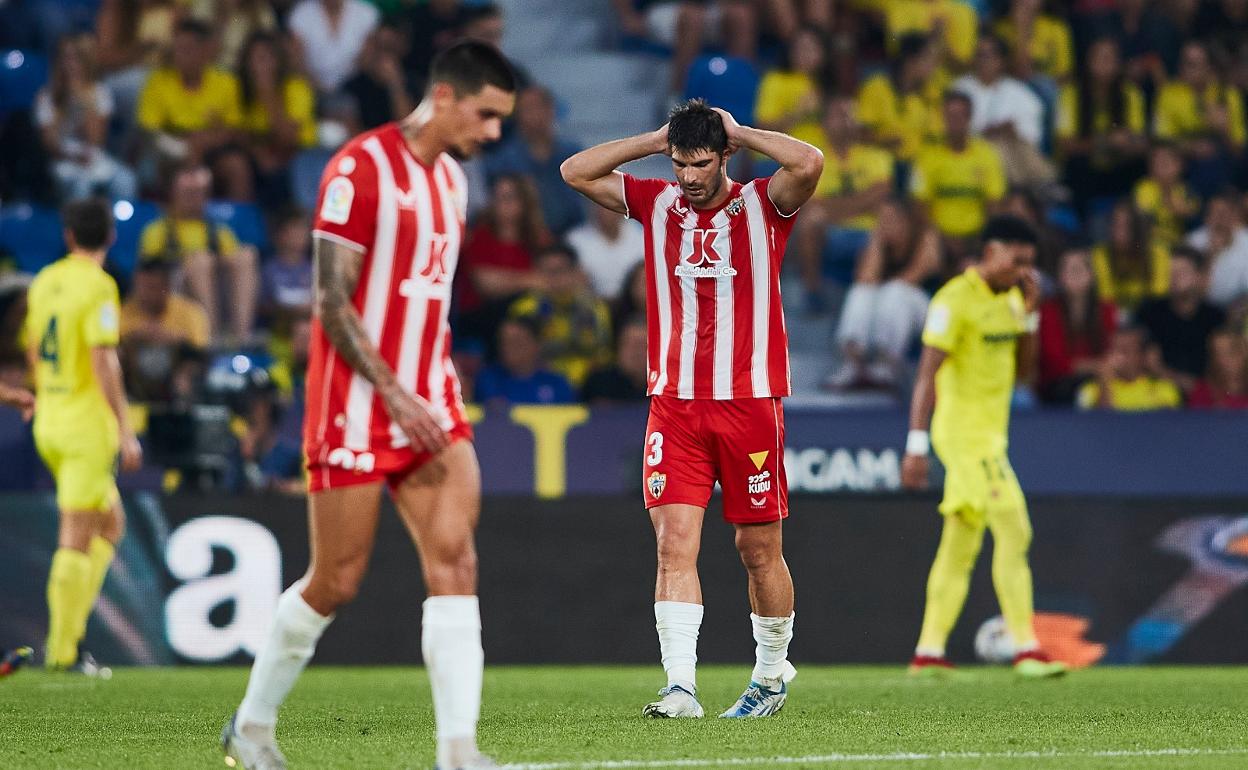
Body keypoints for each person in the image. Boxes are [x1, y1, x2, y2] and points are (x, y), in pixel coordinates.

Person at [220, 41, 515, 770]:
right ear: (444, 97)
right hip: (357, 401)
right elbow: (330, 299)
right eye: (486, 115)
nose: (493, 134)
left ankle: (458, 751)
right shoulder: (359, 167)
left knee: (457, 562)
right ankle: (251, 728)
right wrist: (390, 389)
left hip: (432, 400)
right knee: (336, 582)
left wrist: (424, 389)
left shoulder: (453, 182)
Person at [562, 99, 823, 718]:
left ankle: (770, 674)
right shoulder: (655, 203)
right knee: (673, 545)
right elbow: (575, 171)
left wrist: (742, 131)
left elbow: (810, 163)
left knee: (757, 550)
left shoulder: (764, 204)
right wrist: (652, 140)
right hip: (674, 405)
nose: (688, 176)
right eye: (680, 163)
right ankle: (681, 687)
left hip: (750, 403)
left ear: (725, 155)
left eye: (700, 163)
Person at [901, 215, 1067, 679]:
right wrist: (916, 446)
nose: (1023, 272)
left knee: (961, 545)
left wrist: (1030, 313)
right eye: (1017, 261)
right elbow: (926, 375)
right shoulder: (953, 301)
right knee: (1015, 530)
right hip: (962, 437)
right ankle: (1026, 648)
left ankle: (928, 652)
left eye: (1030, 265)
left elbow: (1027, 373)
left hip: (993, 437)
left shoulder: (1015, 298)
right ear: (990, 251)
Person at [23, 198, 142, 676]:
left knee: (111, 525)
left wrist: (45, 396)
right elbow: (103, 357)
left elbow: (32, 348)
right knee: (75, 535)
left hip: (49, 418)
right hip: (85, 426)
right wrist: (126, 428)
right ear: (110, 238)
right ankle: (63, 654)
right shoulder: (100, 286)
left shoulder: (45, 279)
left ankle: (68, 640)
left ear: (69, 235)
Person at [823, 198, 940, 391]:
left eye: (892, 219)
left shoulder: (925, 236)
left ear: (907, 220)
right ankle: (853, 363)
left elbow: (914, 276)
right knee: (861, 293)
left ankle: (886, 365)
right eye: (882, 219)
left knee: (895, 291)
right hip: (888, 307)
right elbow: (866, 279)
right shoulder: (877, 243)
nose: (886, 224)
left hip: (927, 311)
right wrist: (876, 242)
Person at [138, 164, 260, 343]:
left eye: (200, 192)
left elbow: (232, 262)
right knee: (199, 262)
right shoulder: (156, 231)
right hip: (175, 290)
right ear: (173, 193)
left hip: (218, 291)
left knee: (247, 254)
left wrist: (213, 260)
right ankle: (210, 336)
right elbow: (148, 272)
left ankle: (242, 336)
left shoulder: (220, 231)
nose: (194, 198)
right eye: (188, 192)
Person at [795, 95, 893, 312]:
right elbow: (812, 204)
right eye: (838, 115)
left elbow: (881, 196)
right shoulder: (812, 158)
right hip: (829, 231)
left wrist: (834, 208)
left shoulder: (877, 156)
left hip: (869, 232)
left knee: (888, 216)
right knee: (809, 220)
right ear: (825, 123)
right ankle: (813, 292)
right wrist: (861, 204)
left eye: (849, 115)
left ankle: (863, 306)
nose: (846, 120)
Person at [35, 35, 137, 201]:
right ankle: (79, 226)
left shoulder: (99, 93)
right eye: (66, 58)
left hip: (93, 158)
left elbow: (96, 139)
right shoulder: (46, 97)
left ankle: (118, 227)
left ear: (85, 62)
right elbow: (50, 144)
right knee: (82, 185)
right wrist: (62, 101)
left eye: (76, 59)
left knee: (126, 180)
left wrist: (84, 102)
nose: (70, 65)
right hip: (63, 162)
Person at [911, 91, 1007, 265]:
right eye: (949, 116)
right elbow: (919, 206)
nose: (954, 122)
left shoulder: (987, 155)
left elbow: (994, 204)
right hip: (938, 237)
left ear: (969, 118)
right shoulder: (927, 156)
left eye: (959, 116)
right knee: (928, 240)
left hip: (977, 236)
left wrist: (981, 238)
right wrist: (943, 237)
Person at [1056, 36, 1148, 219]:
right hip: (1086, 170)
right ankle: (1083, 227)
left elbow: (1140, 141)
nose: (1104, 64)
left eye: (1110, 58)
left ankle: (1130, 219)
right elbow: (1064, 145)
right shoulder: (1071, 93)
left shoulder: (1131, 94)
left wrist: (1127, 144)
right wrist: (1106, 141)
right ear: (1089, 62)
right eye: (1099, 58)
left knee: (1140, 165)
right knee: (1077, 165)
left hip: (1117, 167)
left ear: (1118, 64)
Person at [953, 36, 1053, 190]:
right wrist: (989, 132)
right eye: (978, 55)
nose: (982, 60)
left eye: (987, 55)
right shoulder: (960, 88)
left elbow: (1032, 138)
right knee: (998, 148)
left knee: (1010, 145)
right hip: (970, 151)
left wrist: (1011, 131)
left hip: (1015, 151)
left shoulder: (1019, 92)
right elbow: (954, 128)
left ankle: (1040, 187)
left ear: (1001, 60)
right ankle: (1025, 191)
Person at [506, 244, 613, 388]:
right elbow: (516, 355)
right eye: (547, 272)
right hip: (537, 383)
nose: (554, 278)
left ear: (574, 272)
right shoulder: (524, 309)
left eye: (560, 271)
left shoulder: (594, 308)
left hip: (587, 384)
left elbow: (603, 352)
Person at [485, 85, 585, 235]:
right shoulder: (502, 161)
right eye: (527, 109)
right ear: (518, 115)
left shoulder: (573, 154)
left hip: (571, 239)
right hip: (523, 241)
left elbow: (583, 206)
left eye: (539, 107)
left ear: (551, 110)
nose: (534, 115)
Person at [1134, 246, 1227, 393]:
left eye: (1182, 272)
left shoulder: (1216, 318)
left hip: (1207, 400)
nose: (1174, 277)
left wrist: (1169, 375)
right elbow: (1145, 364)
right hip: (1157, 396)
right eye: (1171, 272)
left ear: (1200, 276)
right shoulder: (1149, 313)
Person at [119, 257, 211, 401]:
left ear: (166, 287)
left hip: (174, 375)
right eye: (141, 287)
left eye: (152, 287)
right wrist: (140, 334)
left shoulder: (190, 312)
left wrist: (174, 338)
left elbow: (201, 349)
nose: (146, 294)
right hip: (136, 376)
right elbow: (114, 340)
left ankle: (183, 408)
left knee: (191, 366)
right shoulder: (125, 310)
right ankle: (126, 401)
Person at [1037, 247, 1117, 404]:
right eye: (1067, 269)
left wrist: (1101, 368)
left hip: (1098, 380)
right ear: (1060, 277)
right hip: (1058, 386)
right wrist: (1097, 366)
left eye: (1079, 269)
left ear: (1091, 275)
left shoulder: (1106, 310)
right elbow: (1055, 362)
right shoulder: (1047, 311)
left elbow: (1111, 352)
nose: (1073, 274)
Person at [473, 316, 576, 405]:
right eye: (504, 342)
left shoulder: (557, 384)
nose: (508, 348)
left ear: (536, 344)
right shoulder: (487, 380)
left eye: (516, 342)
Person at [1075, 326, 1182, 411]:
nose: (1116, 357)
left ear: (1140, 356)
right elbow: (1097, 428)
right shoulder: (1090, 391)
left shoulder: (1163, 390)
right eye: (1112, 350)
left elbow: (1168, 427)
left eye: (1124, 351)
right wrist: (1105, 383)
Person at [287, 0, 380, 95]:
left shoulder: (367, 13)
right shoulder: (300, 14)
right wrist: (316, 86)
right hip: (310, 85)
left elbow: (368, 57)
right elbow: (296, 59)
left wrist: (346, 88)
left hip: (356, 85)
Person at [1091, 200, 1168, 313]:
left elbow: (1159, 296)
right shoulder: (1100, 254)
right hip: (1113, 318)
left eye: (1126, 226)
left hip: (1151, 316)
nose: (1118, 232)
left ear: (1138, 228)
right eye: (1115, 224)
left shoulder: (1157, 254)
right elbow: (1105, 298)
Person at [564, 201, 645, 300]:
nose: (603, 212)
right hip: (594, 303)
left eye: (608, 206)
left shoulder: (641, 234)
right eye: (598, 206)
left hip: (633, 305)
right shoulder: (574, 241)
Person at [1187, 191, 1248, 309]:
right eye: (1214, 213)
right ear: (1206, 217)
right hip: (1201, 311)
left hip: (1240, 311)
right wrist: (1210, 255)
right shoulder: (1192, 243)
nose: (1219, 220)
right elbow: (1190, 292)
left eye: (1224, 214)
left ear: (1235, 217)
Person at [1133, 142, 1199, 248]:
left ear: (1179, 165)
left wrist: (1167, 189)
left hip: (1179, 245)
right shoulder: (1144, 187)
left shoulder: (1187, 189)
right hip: (1150, 245)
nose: (1161, 167)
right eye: (1155, 163)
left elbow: (1188, 214)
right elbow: (1143, 216)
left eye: (1165, 162)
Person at [581, 315, 650, 404]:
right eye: (631, 345)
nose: (637, 353)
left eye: (643, 346)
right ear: (618, 348)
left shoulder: (665, 388)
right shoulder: (598, 384)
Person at [1189, 329, 1248, 409]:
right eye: (1217, 354)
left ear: (1244, 352)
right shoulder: (1203, 392)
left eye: (1230, 352)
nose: (1223, 360)